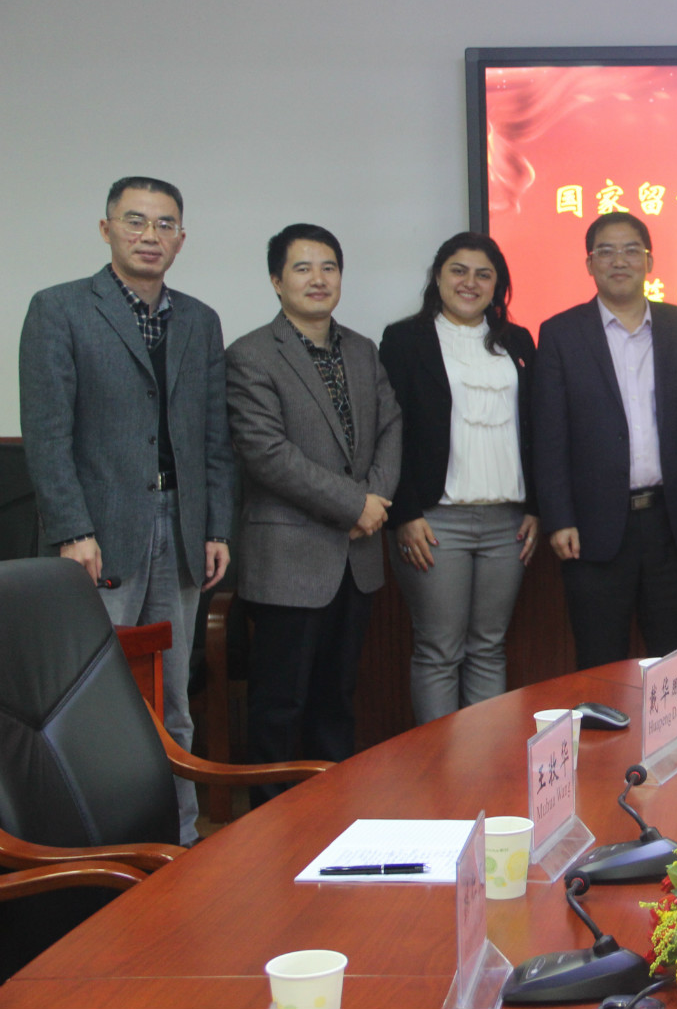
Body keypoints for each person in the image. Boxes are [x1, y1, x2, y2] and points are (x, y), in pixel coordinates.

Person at [18, 176, 233, 845]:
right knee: (93, 702)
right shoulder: (59, 309)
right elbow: (46, 433)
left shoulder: (198, 319)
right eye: (135, 221)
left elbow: (214, 437)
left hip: (182, 527)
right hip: (98, 532)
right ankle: (96, 850)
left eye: (164, 224)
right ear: (106, 228)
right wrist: (72, 529)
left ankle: (181, 840)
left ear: (181, 239)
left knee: (174, 697)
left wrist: (216, 527)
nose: (149, 235)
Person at [226, 223, 401, 800]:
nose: (318, 279)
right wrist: (354, 504)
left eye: (328, 267)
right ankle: (269, 827)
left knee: (337, 699)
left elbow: (391, 427)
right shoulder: (251, 355)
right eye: (302, 268)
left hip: (357, 556)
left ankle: (331, 819)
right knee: (279, 704)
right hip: (289, 560)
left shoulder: (362, 349)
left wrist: (374, 503)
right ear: (277, 281)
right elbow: (266, 453)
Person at [534, 213, 677, 668]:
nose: (619, 261)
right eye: (606, 251)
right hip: (592, 528)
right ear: (589, 263)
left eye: (631, 250)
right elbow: (549, 433)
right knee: (600, 662)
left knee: (675, 661)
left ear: (649, 261)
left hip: (672, 523)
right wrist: (559, 518)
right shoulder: (560, 333)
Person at [379, 233, 537, 722]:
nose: (470, 282)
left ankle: (483, 761)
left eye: (483, 274)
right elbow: (389, 432)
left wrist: (537, 508)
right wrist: (404, 513)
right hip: (434, 522)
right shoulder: (405, 340)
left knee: (489, 647)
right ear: (438, 276)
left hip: (507, 524)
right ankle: (442, 763)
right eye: (458, 271)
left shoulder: (518, 341)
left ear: (497, 285)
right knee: (439, 650)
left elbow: (536, 426)